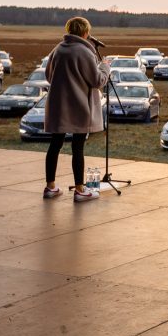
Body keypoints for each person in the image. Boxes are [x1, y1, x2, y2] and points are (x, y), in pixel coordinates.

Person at [43, 17, 110, 202]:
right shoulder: (85, 52)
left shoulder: (57, 50)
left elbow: (49, 76)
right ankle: (80, 190)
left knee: (54, 145)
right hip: (79, 106)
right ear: (85, 32)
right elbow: (97, 81)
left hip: (58, 105)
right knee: (77, 147)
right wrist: (105, 67)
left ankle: (50, 187)